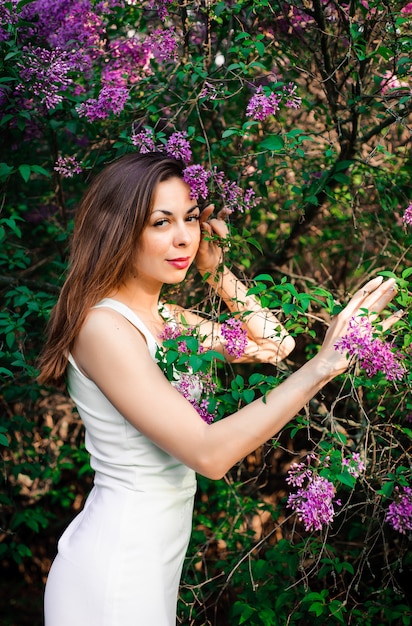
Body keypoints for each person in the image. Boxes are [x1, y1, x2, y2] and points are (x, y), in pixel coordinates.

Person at [38, 152, 399, 626]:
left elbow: (274, 343)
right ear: (119, 229)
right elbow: (209, 455)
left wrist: (215, 270)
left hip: (150, 563)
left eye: (190, 219)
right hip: (116, 568)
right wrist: (322, 366)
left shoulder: (164, 319)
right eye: (161, 222)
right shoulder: (104, 327)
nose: (183, 236)